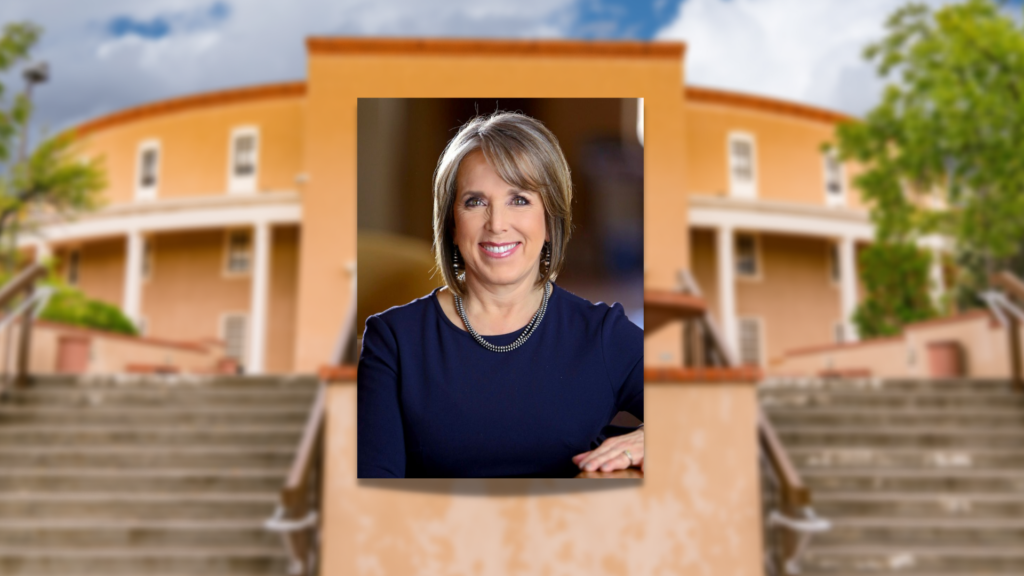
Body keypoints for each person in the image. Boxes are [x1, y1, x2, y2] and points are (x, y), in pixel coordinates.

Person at [357, 111, 643, 478]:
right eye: (475, 201)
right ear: (451, 223)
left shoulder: (601, 334)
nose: (497, 224)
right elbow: (376, 499)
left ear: (550, 218)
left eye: (519, 199)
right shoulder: (393, 339)